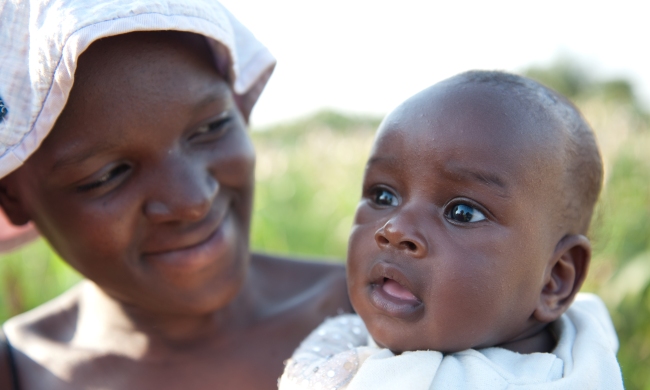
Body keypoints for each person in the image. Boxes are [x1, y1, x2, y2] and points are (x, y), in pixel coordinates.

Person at [0, 1, 351, 389]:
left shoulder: (378, 312)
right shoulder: (17, 372)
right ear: (11, 196)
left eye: (213, 126)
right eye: (108, 176)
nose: (193, 200)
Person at [279, 71, 624, 389]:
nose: (395, 229)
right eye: (383, 195)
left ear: (553, 279)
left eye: (462, 212)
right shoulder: (585, 344)